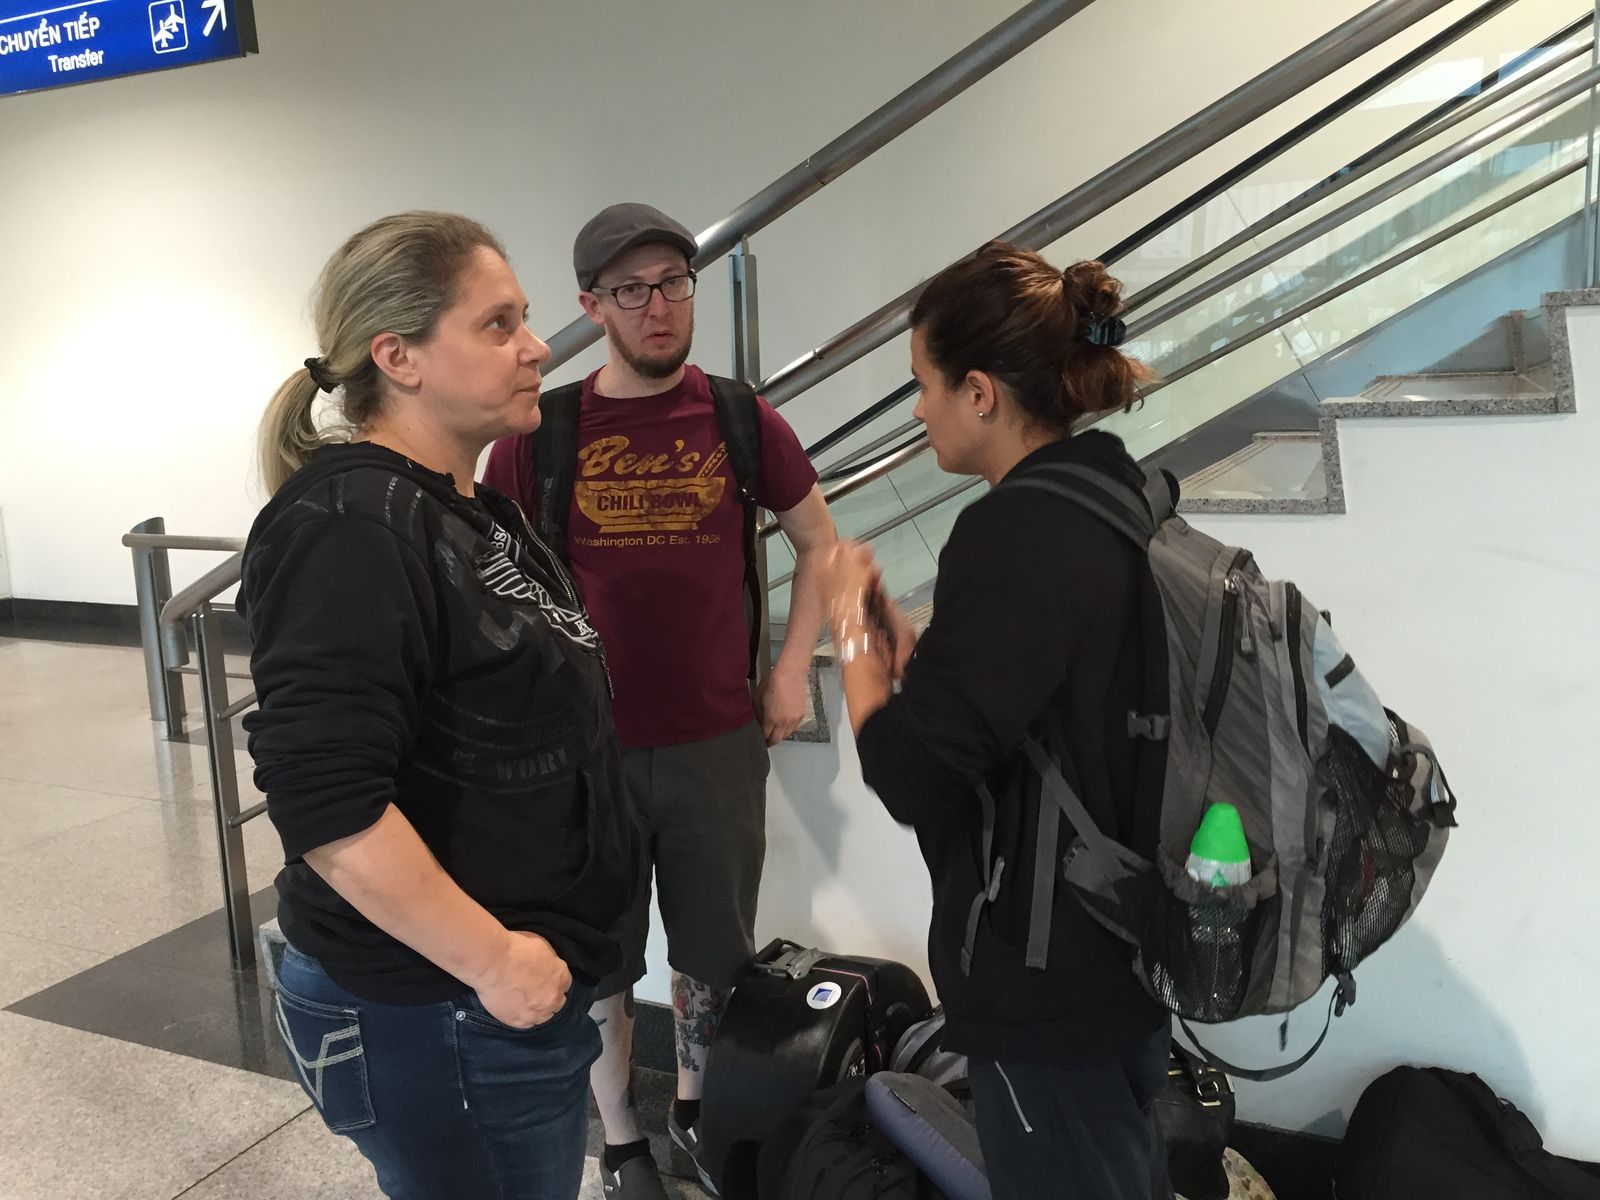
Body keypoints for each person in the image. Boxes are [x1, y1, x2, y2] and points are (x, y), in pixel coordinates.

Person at [241, 211, 640, 1200]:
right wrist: (496, 961)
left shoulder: (469, 510)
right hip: (440, 1007)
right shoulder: (349, 526)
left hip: (496, 999)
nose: (537, 347)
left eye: (525, 319)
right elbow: (327, 803)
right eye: (498, 324)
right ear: (399, 357)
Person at [483, 202, 836, 1198]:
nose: (657, 306)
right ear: (592, 306)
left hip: (714, 741)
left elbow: (818, 541)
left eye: (673, 283)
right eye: (630, 289)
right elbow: (492, 578)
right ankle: (621, 1138)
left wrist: (788, 669)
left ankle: (692, 1109)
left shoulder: (740, 418)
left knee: (714, 957)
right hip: (583, 753)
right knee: (596, 959)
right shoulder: (542, 434)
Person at [820, 242, 1175, 1200]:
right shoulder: (1112, 491)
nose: (918, 410)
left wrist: (848, 628)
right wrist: (911, 655)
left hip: (1047, 979)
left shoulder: (1016, 531)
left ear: (979, 393)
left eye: (923, 385)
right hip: (1125, 944)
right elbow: (1042, 701)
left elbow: (910, 774)